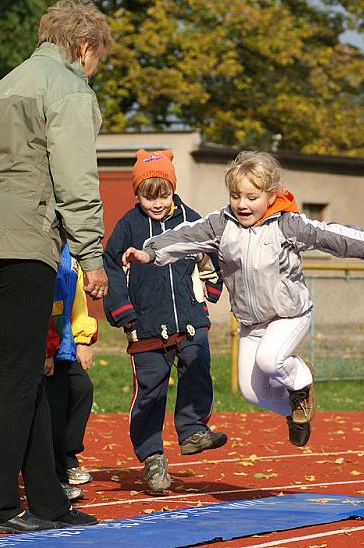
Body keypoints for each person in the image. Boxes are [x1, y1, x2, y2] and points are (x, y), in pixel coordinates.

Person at [122, 151, 364, 448]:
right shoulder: (222, 224)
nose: (242, 204)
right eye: (236, 196)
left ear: (270, 196)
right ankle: (296, 410)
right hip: (252, 323)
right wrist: (150, 252)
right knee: (252, 392)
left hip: (289, 314)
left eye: (251, 197)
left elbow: (327, 235)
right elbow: (184, 236)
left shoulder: (287, 224)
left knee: (270, 361)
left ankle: (301, 379)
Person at [0, 0, 109, 533]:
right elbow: (76, 178)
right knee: (19, 376)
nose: (94, 69)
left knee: (31, 371)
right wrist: (91, 254)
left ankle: (48, 501)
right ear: (84, 47)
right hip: (22, 237)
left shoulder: (8, 82)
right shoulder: (68, 88)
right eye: (97, 59)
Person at [103, 149, 227, 495]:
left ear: (173, 190)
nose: (157, 203)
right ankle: (152, 456)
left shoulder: (191, 219)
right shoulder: (128, 225)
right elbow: (111, 264)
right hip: (144, 322)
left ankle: (191, 430)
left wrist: (211, 288)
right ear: (137, 194)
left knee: (197, 366)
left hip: (189, 317)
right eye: (148, 196)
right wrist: (122, 309)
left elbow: (210, 253)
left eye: (164, 195)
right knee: (150, 391)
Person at [44, 243, 98, 502]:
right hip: (47, 344)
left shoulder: (71, 254)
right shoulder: (46, 249)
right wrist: (46, 350)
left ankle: (67, 457)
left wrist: (83, 340)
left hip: (65, 344)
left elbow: (77, 301)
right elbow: (44, 304)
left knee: (82, 389)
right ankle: (54, 477)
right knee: (52, 410)